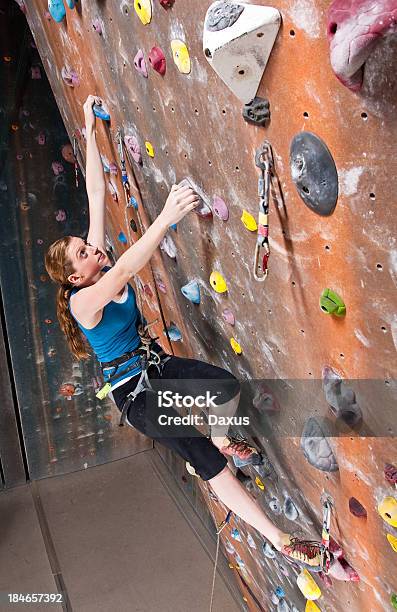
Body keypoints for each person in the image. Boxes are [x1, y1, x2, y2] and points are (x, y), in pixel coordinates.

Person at [44, 95, 333, 572]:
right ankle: (280, 539)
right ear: (76, 276)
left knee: (223, 386)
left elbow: (95, 194)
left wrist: (90, 132)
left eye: (83, 244)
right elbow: (128, 267)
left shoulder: (93, 261)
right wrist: (165, 217)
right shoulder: (83, 300)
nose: (90, 246)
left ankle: (223, 438)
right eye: (82, 251)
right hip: (137, 396)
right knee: (201, 455)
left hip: (153, 367)